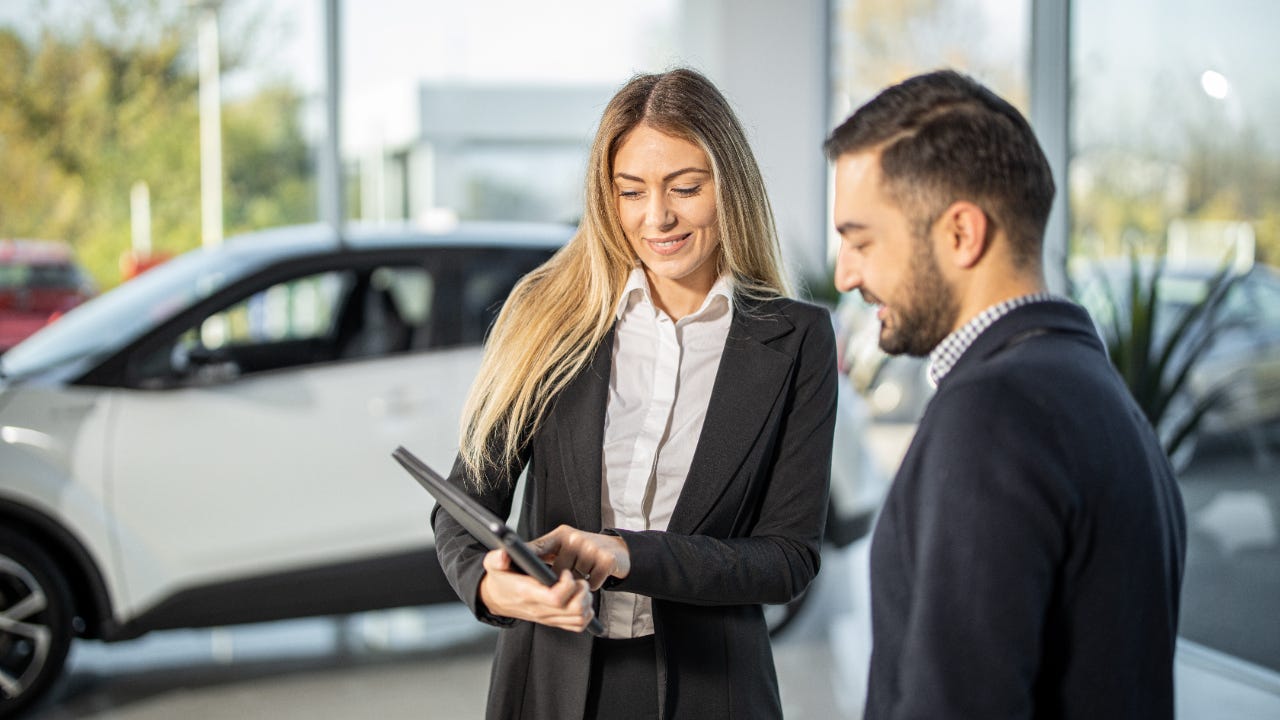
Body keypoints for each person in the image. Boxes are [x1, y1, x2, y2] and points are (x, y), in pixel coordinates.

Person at [432, 68, 838, 720]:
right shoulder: (550, 316)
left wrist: (630, 553)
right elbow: (463, 507)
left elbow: (786, 559)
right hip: (550, 687)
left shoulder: (797, 341)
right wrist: (494, 587)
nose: (658, 217)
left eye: (685, 187)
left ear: (728, 187)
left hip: (715, 692)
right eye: (631, 191)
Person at [826, 70, 1186, 719]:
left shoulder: (990, 415)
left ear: (962, 233)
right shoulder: (1098, 391)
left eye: (861, 240)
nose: (844, 273)